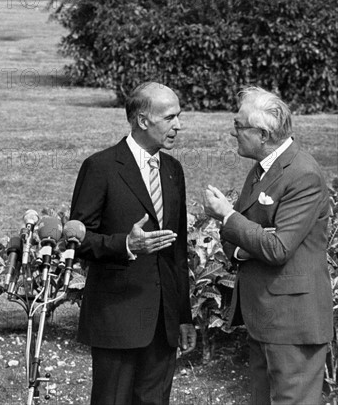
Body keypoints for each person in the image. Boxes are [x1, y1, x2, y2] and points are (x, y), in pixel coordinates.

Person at [204, 86, 332, 404]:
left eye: (238, 126)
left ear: (262, 134)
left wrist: (229, 215)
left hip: (292, 323)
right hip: (266, 318)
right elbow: (244, 239)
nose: (232, 133)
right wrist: (248, 240)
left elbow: (276, 248)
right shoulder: (261, 170)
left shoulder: (303, 174)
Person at [70, 82, 196, 405]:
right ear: (142, 120)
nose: (178, 126)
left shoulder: (173, 170)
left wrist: (183, 316)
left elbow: (178, 251)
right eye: (169, 118)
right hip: (117, 320)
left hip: (163, 325)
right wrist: (125, 245)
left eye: (178, 117)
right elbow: (79, 239)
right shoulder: (100, 167)